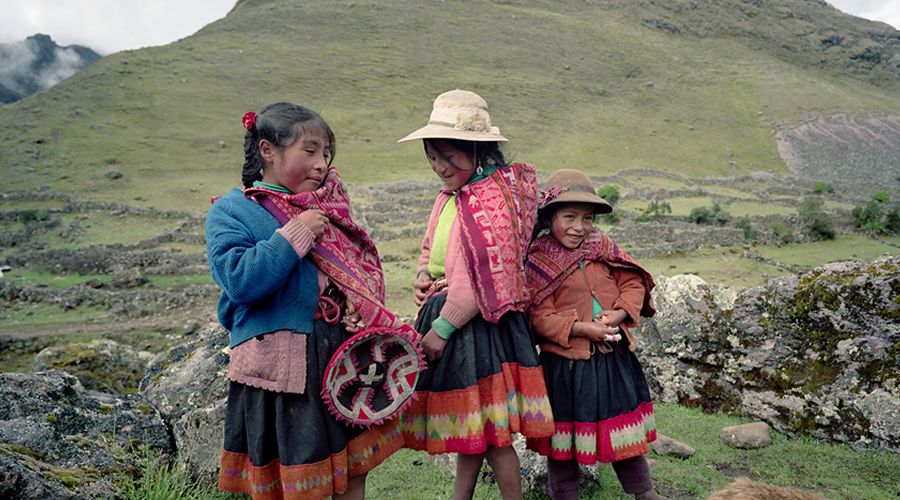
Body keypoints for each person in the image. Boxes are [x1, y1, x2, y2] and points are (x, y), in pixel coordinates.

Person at [207, 102, 405, 499]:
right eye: (310, 151)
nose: (321, 165)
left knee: (353, 468)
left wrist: (351, 304)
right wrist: (295, 235)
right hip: (282, 369)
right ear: (268, 150)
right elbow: (240, 281)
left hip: (336, 356)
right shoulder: (232, 212)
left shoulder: (326, 211)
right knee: (297, 478)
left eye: (326, 155)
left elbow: (347, 272)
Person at [397, 89, 554, 499]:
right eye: (433, 157)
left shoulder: (492, 202)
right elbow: (431, 247)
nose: (440, 167)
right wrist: (421, 275)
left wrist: (441, 329)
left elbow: (473, 282)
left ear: (476, 150)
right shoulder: (449, 199)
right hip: (449, 314)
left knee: (494, 432)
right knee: (475, 428)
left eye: (449, 156)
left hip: (478, 328)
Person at [524, 169, 664, 500]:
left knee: (623, 429)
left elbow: (633, 284)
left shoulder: (603, 247)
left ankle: (644, 493)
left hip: (614, 358)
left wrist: (617, 314)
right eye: (569, 217)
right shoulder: (538, 261)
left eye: (587, 218)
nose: (579, 227)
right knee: (563, 441)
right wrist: (583, 329)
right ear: (550, 216)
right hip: (566, 366)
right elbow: (537, 317)